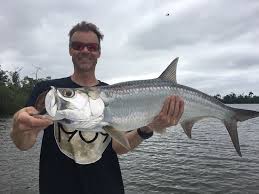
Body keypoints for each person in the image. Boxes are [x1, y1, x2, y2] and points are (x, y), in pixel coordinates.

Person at [10, 21, 184, 194]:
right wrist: (20, 129)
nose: (85, 50)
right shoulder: (49, 92)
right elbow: (23, 144)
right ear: (70, 50)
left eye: (92, 47)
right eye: (78, 46)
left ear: (99, 52)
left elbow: (118, 147)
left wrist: (148, 128)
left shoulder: (113, 92)